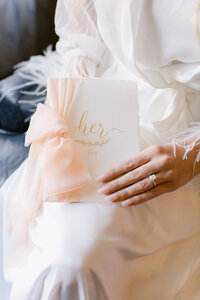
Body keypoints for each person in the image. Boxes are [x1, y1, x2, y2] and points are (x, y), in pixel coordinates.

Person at [1, 0, 200, 299]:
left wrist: (192, 155)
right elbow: (84, 28)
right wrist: (73, 103)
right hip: (111, 101)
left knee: (81, 262)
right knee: (64, 257)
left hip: (189, 132)